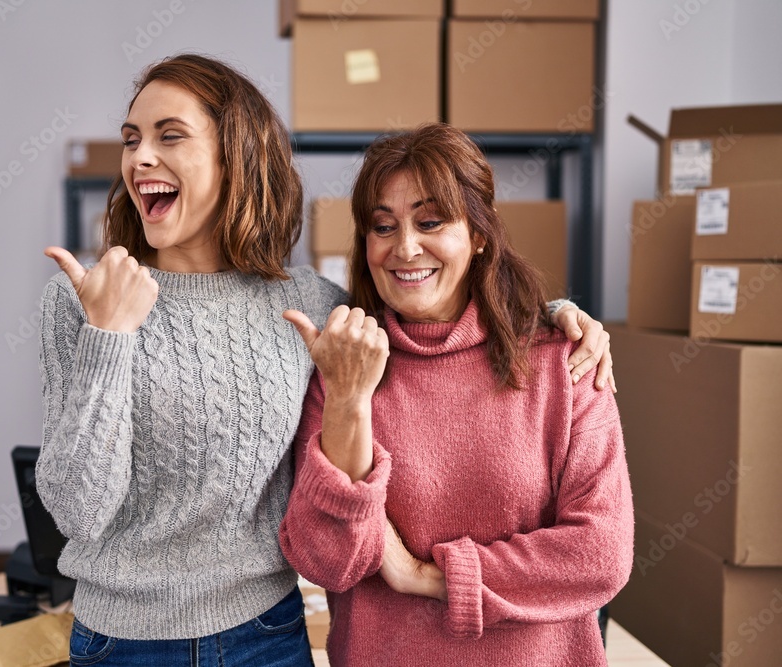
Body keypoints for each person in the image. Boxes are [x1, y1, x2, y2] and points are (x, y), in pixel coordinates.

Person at [35, 55, 614, 666]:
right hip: (121, 644)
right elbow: (77, 510)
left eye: (168, 135)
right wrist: (108, 338)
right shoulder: (82, 301)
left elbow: (426, 313)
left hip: (265, 638)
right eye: (132, 140)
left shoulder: (309, 305)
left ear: (237, 156)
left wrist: (552, 315)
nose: (139, 158)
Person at [279, 123, 633, 667]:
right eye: (382, 226)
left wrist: (431, 576)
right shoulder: (346, 368)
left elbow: (601, 554)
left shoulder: (564, 359)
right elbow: (325, 561)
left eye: (430, 221)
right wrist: (350, 399)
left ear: (480, 233)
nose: (404, 248)